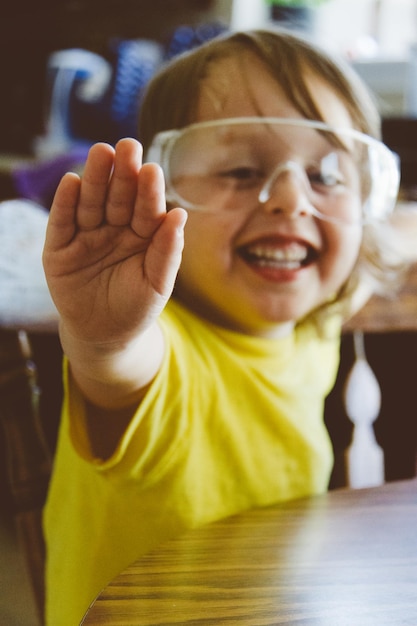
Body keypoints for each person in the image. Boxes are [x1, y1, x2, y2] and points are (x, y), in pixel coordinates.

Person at [42, 28, 406, 626]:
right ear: (160, 194)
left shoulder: (312, 323)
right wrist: (104, 335)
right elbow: (121, 366)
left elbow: (379, 245)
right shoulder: (165, 349)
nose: (292, 199)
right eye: (240, 169)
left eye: (328, 176)